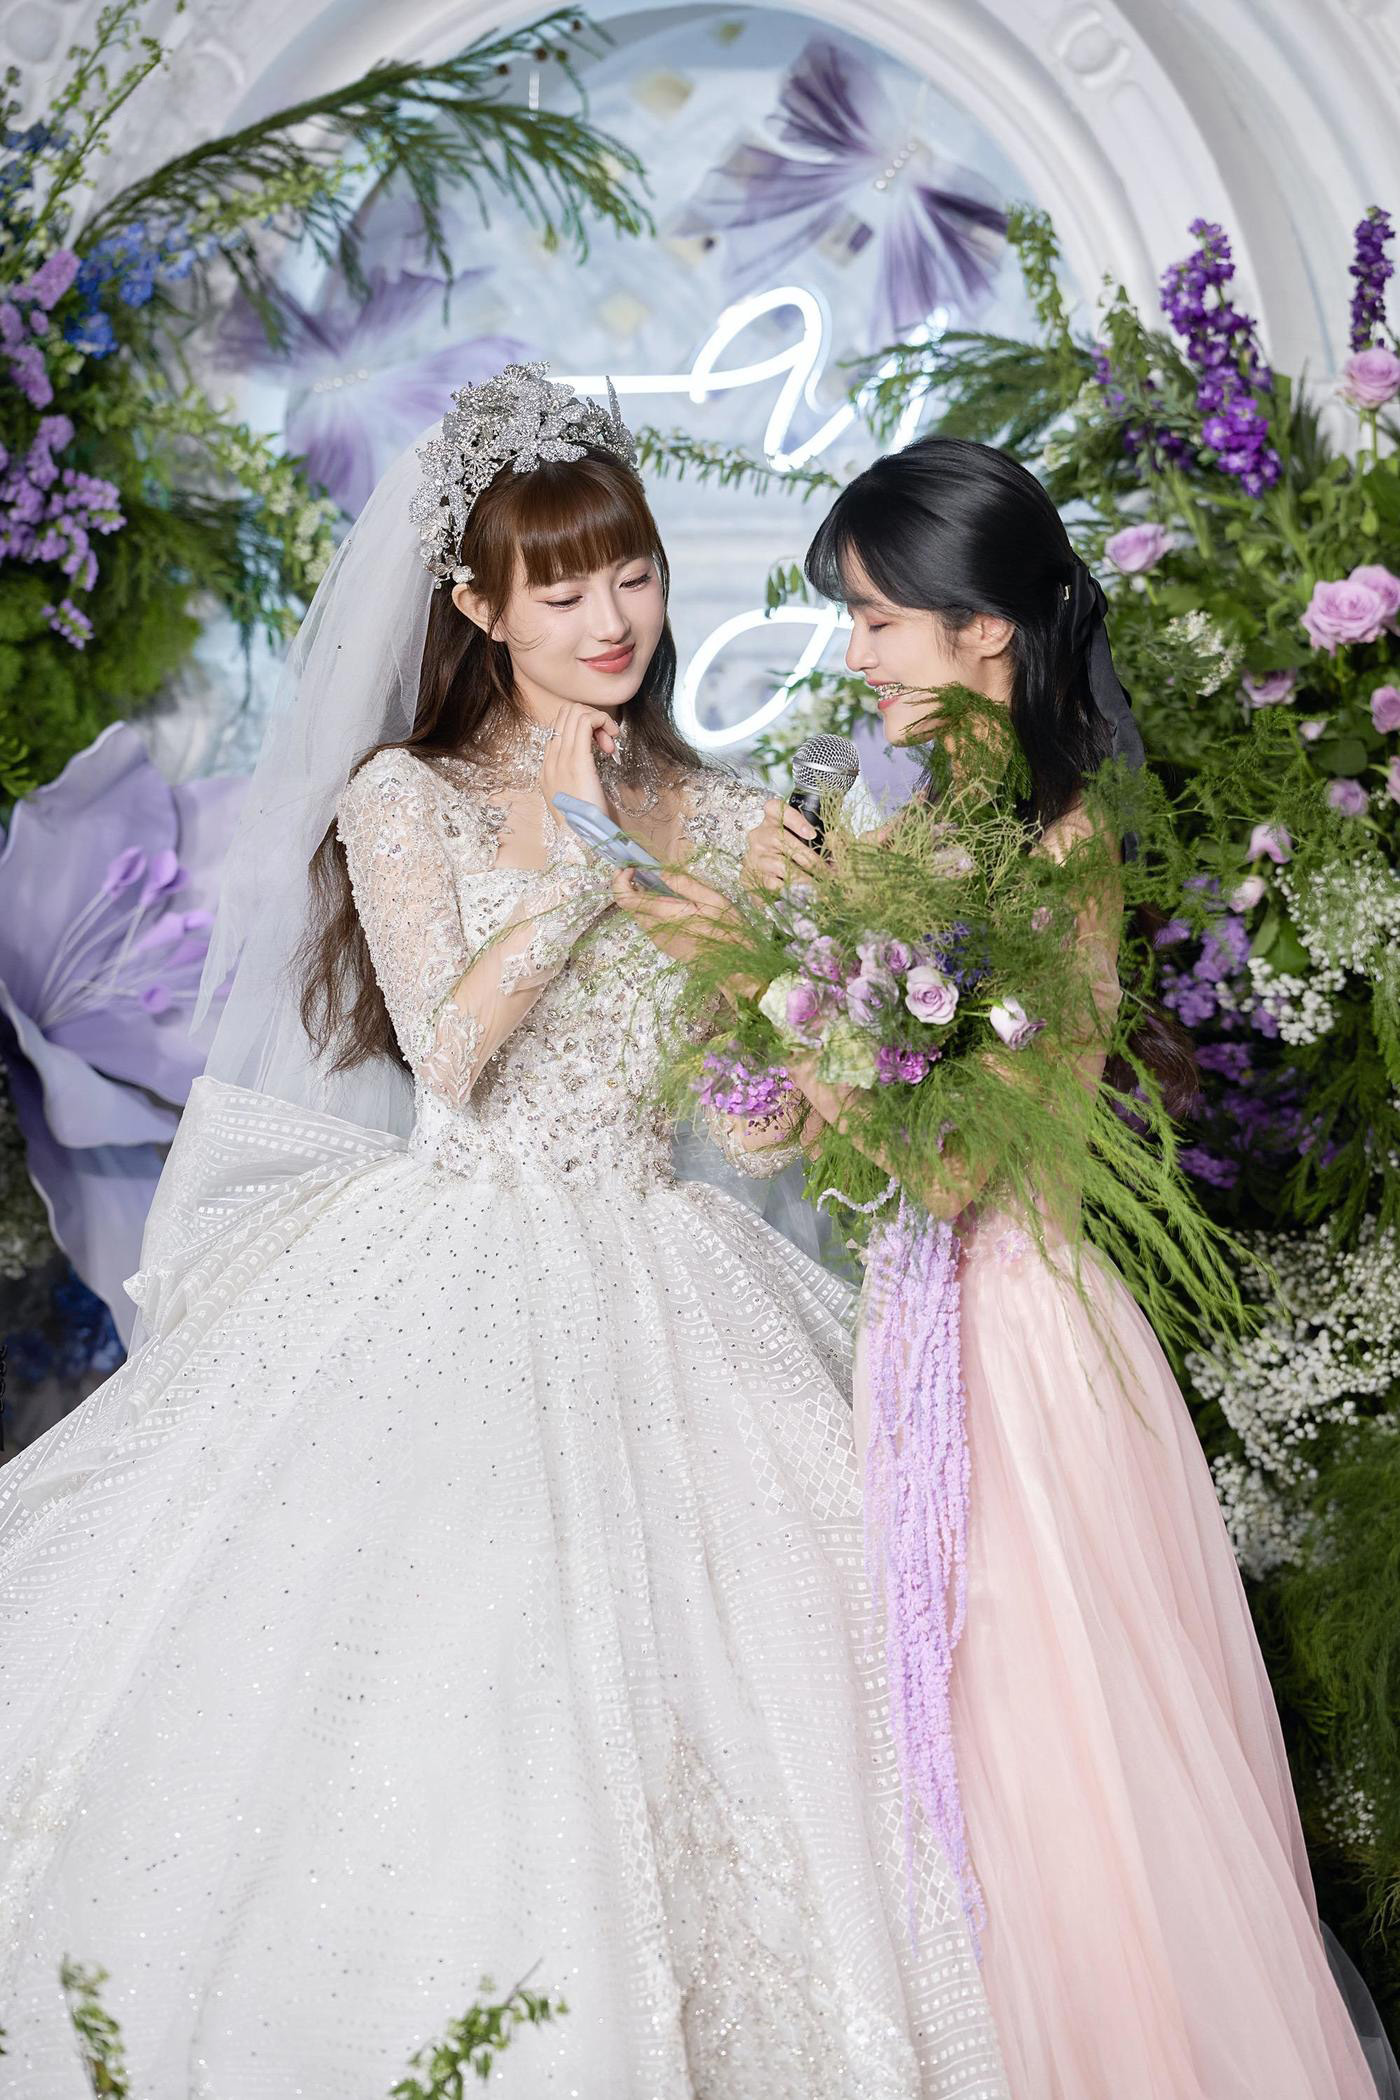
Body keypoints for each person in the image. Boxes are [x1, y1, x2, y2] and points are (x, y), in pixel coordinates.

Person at [0, 369, 1008, 2099]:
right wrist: (576, 856)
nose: (613, 618)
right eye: (562, 589)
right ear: (478, 608)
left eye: (634, 574)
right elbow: (451, 1055)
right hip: (451, 1258)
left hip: (664, 1252)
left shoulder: (723, 806)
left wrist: (808, 983)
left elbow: (744, 1115)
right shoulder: (409, 795)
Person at [616, 434, 1386, 2099]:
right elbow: (802, 1126)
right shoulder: (925, 832)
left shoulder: (1063, 849)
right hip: (923, 1332)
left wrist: (781, 978)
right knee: (962, 1752)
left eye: (880, 620)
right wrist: (772, 975)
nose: (856, 656)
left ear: (986, 630)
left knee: (1055, 1757)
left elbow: (961, 1162)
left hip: (1023, 1356)